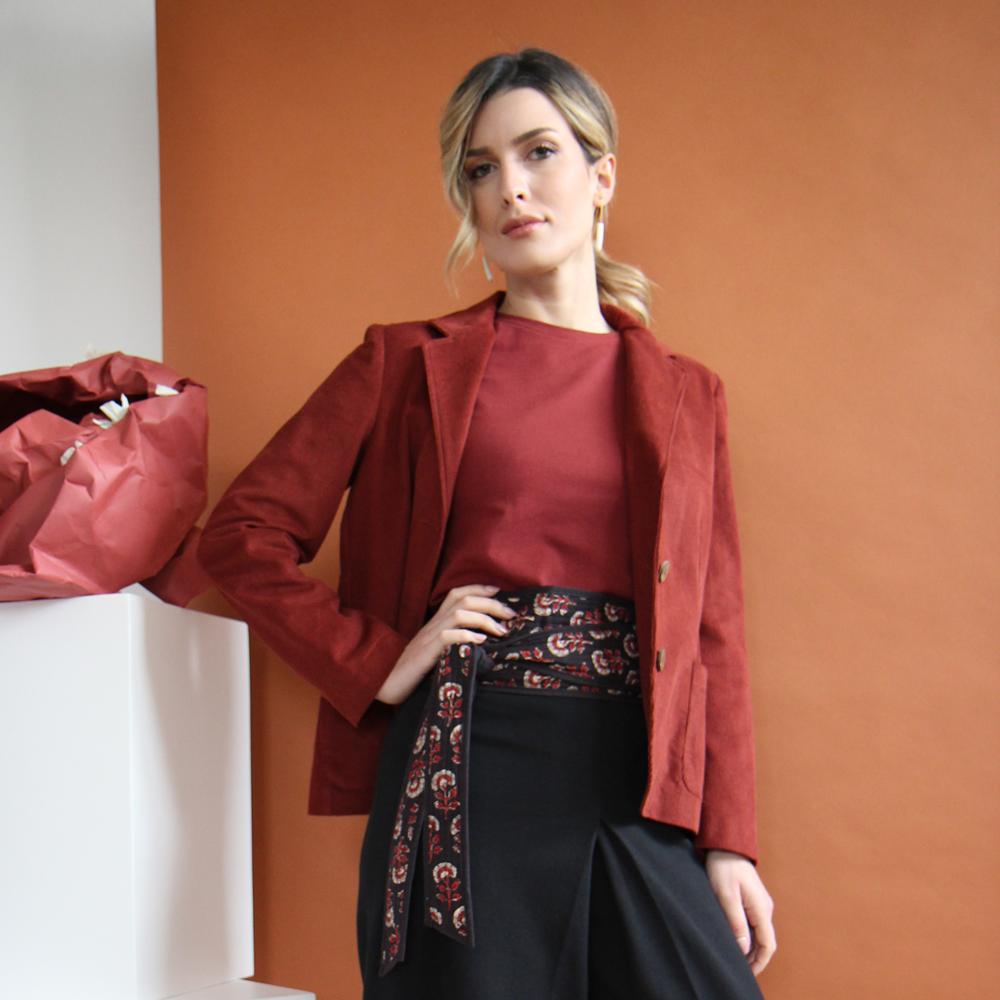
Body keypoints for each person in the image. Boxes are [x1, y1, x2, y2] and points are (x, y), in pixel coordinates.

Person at [198, 47, 776, 999]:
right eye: (480, 168)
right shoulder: (403, 364)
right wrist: (381, 660)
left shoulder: (687, 396)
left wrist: (729, 841)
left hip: (636, 774)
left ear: (602, 175)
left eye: (538, 152)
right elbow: (241, 536)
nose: (510, 187)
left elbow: (714, 632)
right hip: (469, 767)